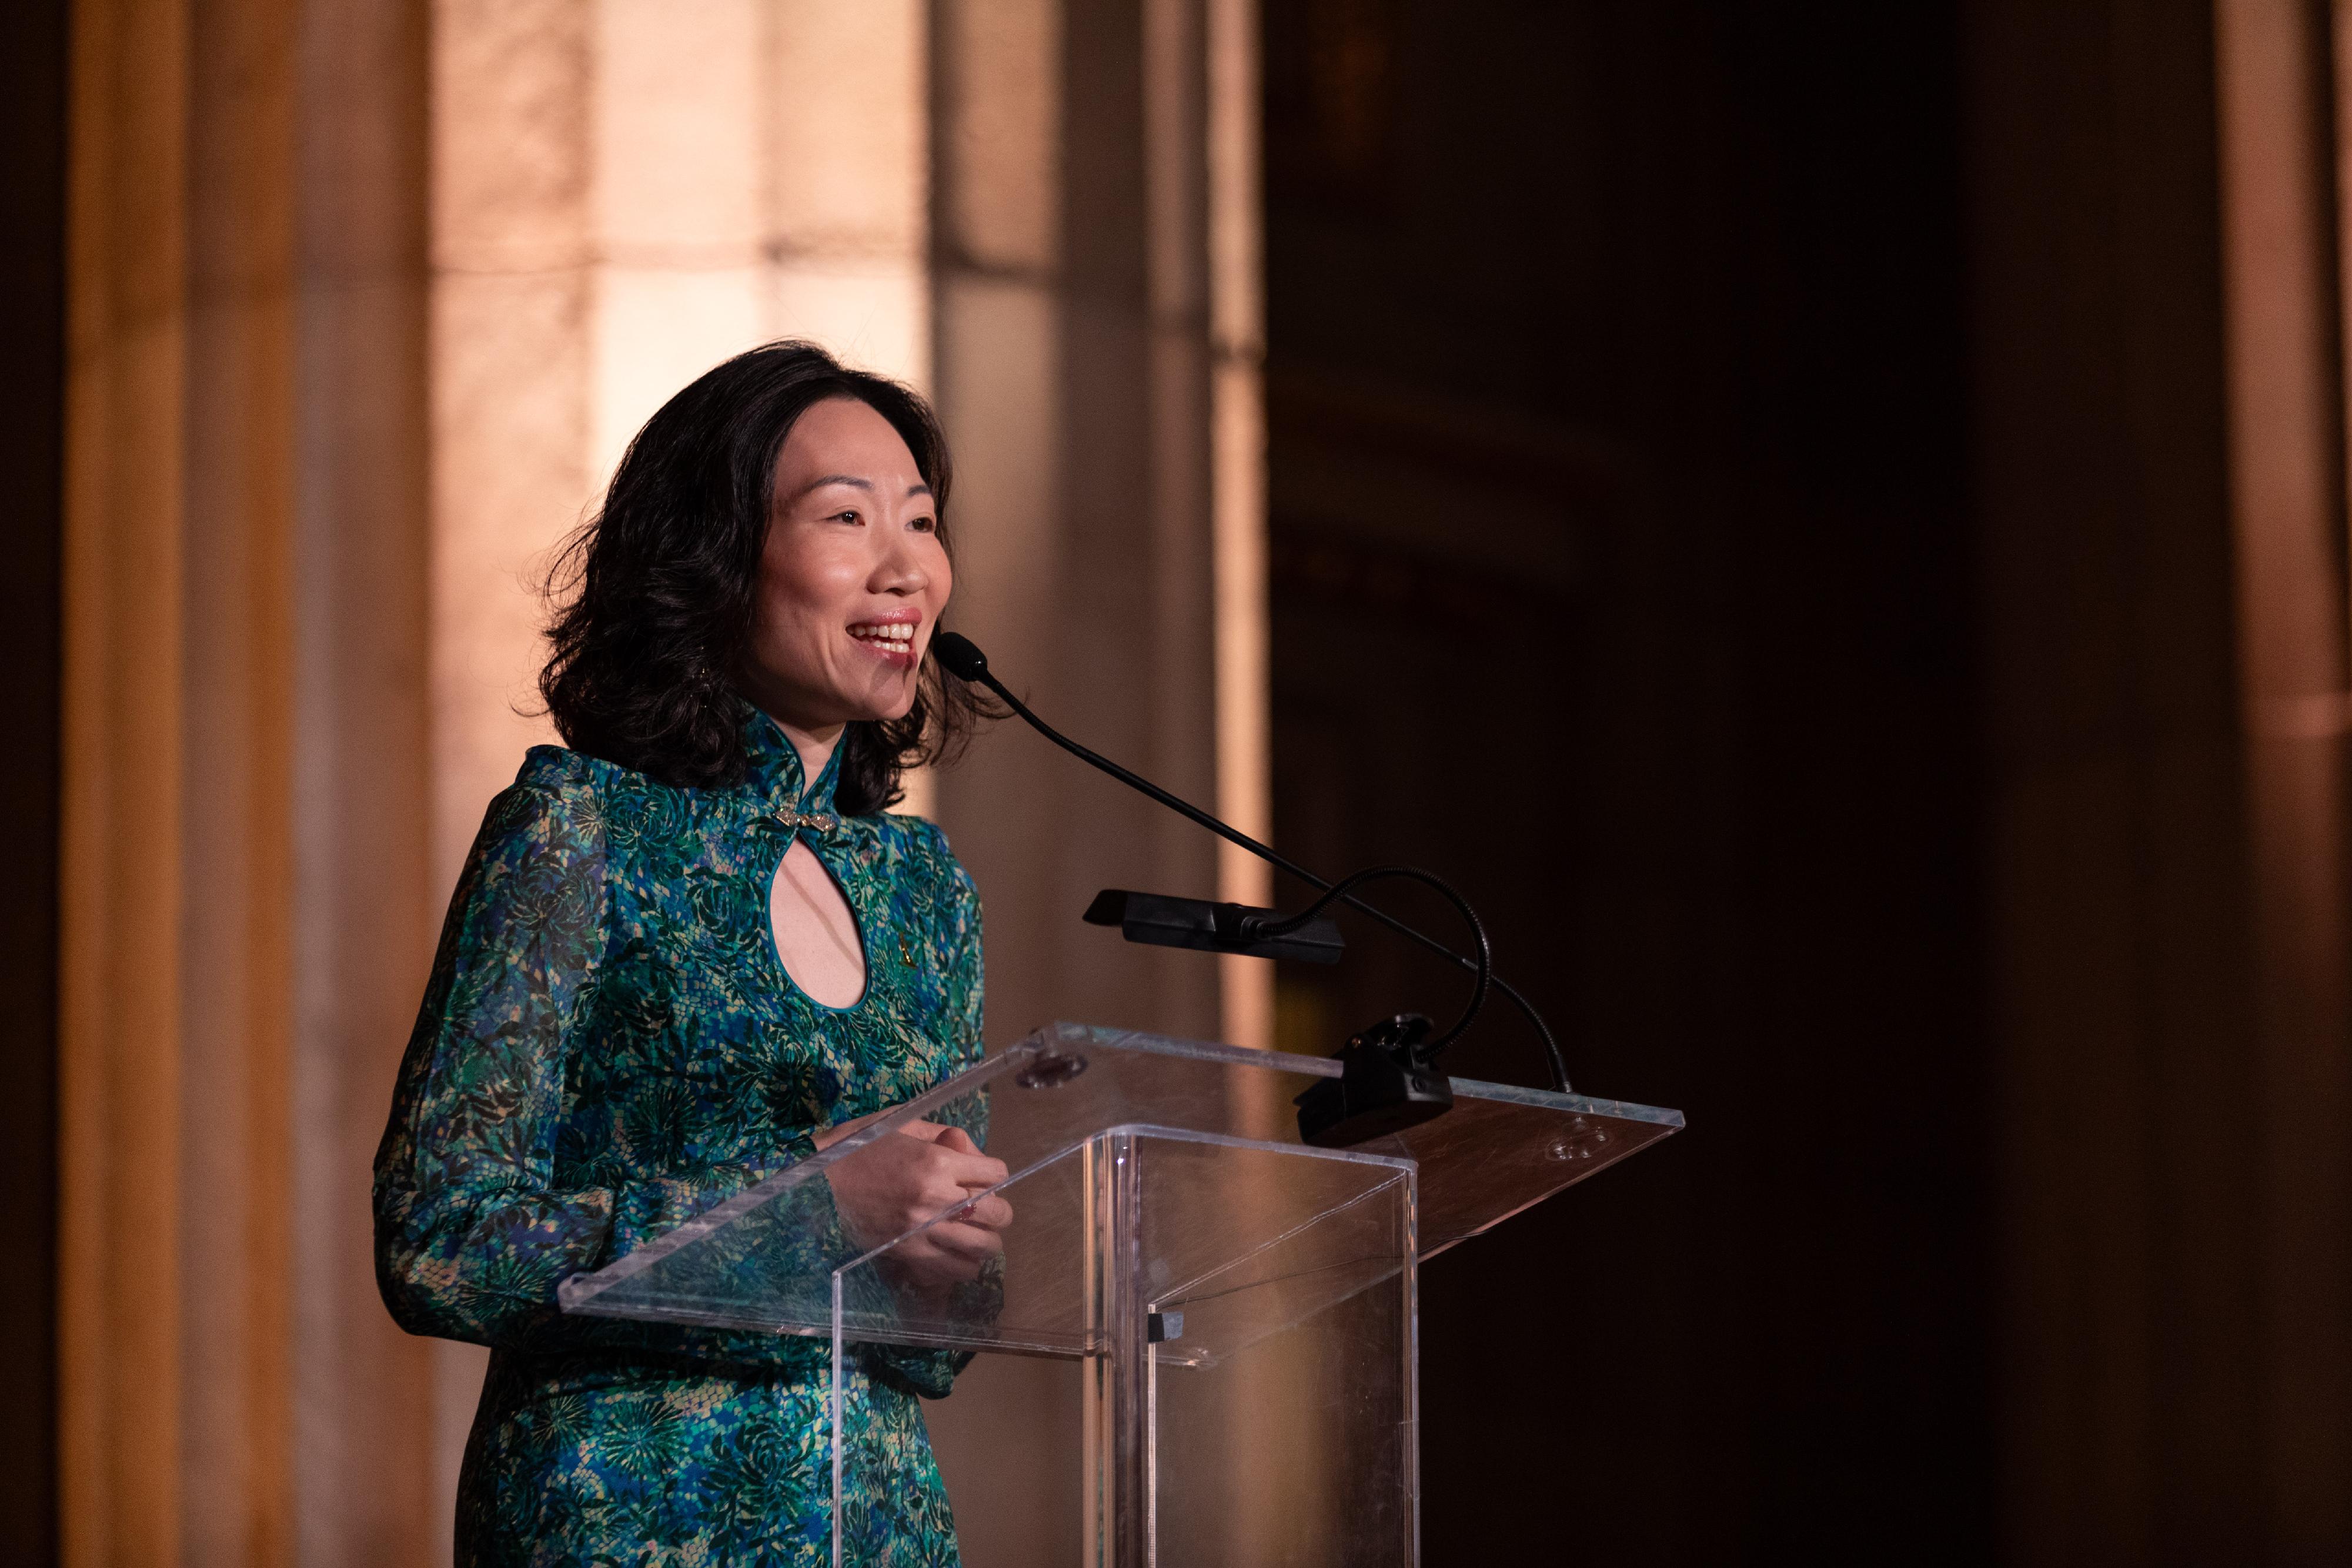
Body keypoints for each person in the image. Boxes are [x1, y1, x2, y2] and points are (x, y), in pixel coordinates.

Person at [373, 341, 1010, 1566]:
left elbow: (935, 1338)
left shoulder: (925, 890)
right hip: (621, 1513)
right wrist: (813, 1207)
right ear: (714, 561)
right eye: (845, 516)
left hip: (874, 1526)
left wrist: (953, 1261)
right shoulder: (583, 832)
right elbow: (438, 1237)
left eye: (922, 522)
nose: (906, 566)